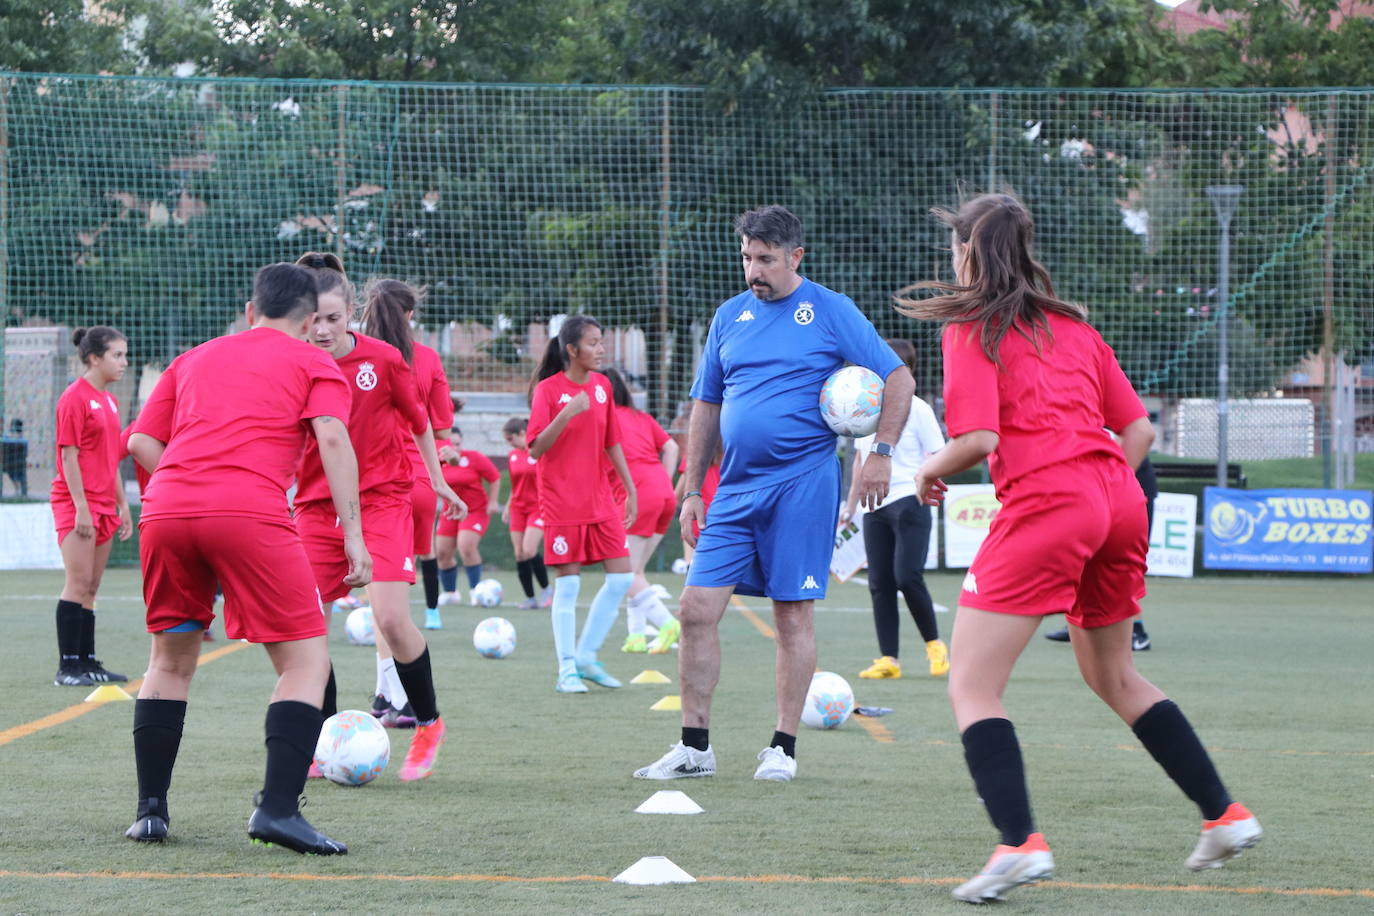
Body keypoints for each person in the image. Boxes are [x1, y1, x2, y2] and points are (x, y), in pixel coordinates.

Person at [898, 193, 1259, 903]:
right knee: (1115, 677)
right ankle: (1224, 814)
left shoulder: (973, 326)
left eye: (954, 247)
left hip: (1051, 504)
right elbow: (1141, 434)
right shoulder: (1071, 325)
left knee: (972, 684)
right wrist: (1097, 499)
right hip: (1118, 499)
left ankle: (1019, 842)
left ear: (968, 251)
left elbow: (978, 442)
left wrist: (925, 470)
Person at [634, 205, 914, 783]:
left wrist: (881, 454)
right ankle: (695, 748)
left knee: (792, 618)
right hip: (733, 491)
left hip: (803, 487)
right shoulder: (727, 318)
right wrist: (692, 490)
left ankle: (782, 749)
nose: (752, 270)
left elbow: (898, 379)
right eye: (745, 257)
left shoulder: (831, 311)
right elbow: (707, 405)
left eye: (764, 259)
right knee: (694, 610)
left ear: (795, 257)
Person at [124, 262, 366, 854]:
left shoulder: (195, 356)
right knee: (306, 662)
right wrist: (353, 536)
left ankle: (150, 812)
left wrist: (191, 486)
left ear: (251, 311)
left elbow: (139, 441)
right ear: (311, 321)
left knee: (170, 662)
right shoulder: (315, 359)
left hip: (166, 509)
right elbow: (332, 435)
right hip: (249, 512)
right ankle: (277, 811)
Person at [293, 256, 463, 777]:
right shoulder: (291, 362)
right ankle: (321, 745)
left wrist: (436, 480)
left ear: (353, 314)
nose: (322, 330)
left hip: (384, 499)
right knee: (304, 629)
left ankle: (429, 722)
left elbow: (420, 423)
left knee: (390, 617)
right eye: (312, 320)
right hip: (317, 508)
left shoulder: (385, 360)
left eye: (333, 319)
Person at [526, 315, 638, 693]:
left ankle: (587, 656)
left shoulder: (604, 386)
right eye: (593, 343)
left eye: (601, 341)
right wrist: (567, 412)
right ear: (572, 350)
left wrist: (630, 487)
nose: (601, 349)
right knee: (569, 587)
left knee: (622, 577)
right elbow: (536, 448)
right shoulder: (547, 390)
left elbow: (612, 441)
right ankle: (566, 669)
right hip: (562, 503)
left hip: (601, 500)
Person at [840, 337, 949, 680]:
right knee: (880, 582)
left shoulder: (917, 408)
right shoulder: (866, 410)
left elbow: (936, 454)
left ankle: (934, 645)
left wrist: (925, 484)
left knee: (907, 576)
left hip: (909, 501)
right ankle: (889, 659)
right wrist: (851, 505)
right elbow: (861, 462)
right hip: (875, 506)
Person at [362, 278, 455, 632]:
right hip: (417, 478)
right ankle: (431, 613)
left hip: (364, 476)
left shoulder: (354, 354)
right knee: (422, 552)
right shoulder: (428, 359)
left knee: (364, 562)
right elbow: (441, 428)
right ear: (410, 314)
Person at [50, 326, 133, 687]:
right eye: (117, 355)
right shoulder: (74, 397)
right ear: (94, 358)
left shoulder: (111, 401)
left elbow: (110, 458)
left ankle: (87, 662)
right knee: (78, 582)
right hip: (76, 503)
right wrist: (81, 506)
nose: (124, 363)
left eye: (125, 355)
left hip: (103, 504)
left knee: (93, 586)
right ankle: (67, 667)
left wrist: (122, 505)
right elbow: (68, 456)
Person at [602, 366, 682, 655]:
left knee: (623, 574)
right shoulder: (642, 417)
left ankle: (668, 624)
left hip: (636, 496)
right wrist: (665, 480)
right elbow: (672, 448)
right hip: (662, 492)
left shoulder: (601, 419)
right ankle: (635, 636)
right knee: (634, 572)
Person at [1044, 455, 1156, 650]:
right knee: (1086, 564)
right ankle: (1082, 621)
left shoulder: (1117, 426)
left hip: (1125, 494)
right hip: (1104, 493)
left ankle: (1136, 630)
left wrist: (1109, 483)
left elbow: (1141, 435)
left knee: (1122, 569)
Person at [434, 425, 501, 607]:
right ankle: (450, 592)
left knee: (466, 547)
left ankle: (475, 590)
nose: (454, 448)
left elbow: (494, 478)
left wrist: (493, 502)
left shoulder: (474, 458)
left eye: (457, 444)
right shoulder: (438, 461)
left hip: (474, 511)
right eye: (451, 444)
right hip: (450, 512)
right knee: (441, 552)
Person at [501, 417, 553, 610]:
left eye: (510, 439)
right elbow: (516, 486)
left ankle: (547, 590)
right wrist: (508, 506)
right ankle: (530, 598)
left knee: (530, 550)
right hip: (517, 508)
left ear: (522, 434)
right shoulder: (513, 455)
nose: (509, 444)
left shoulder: (539, 452)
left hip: (537, 508)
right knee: (520, 554)